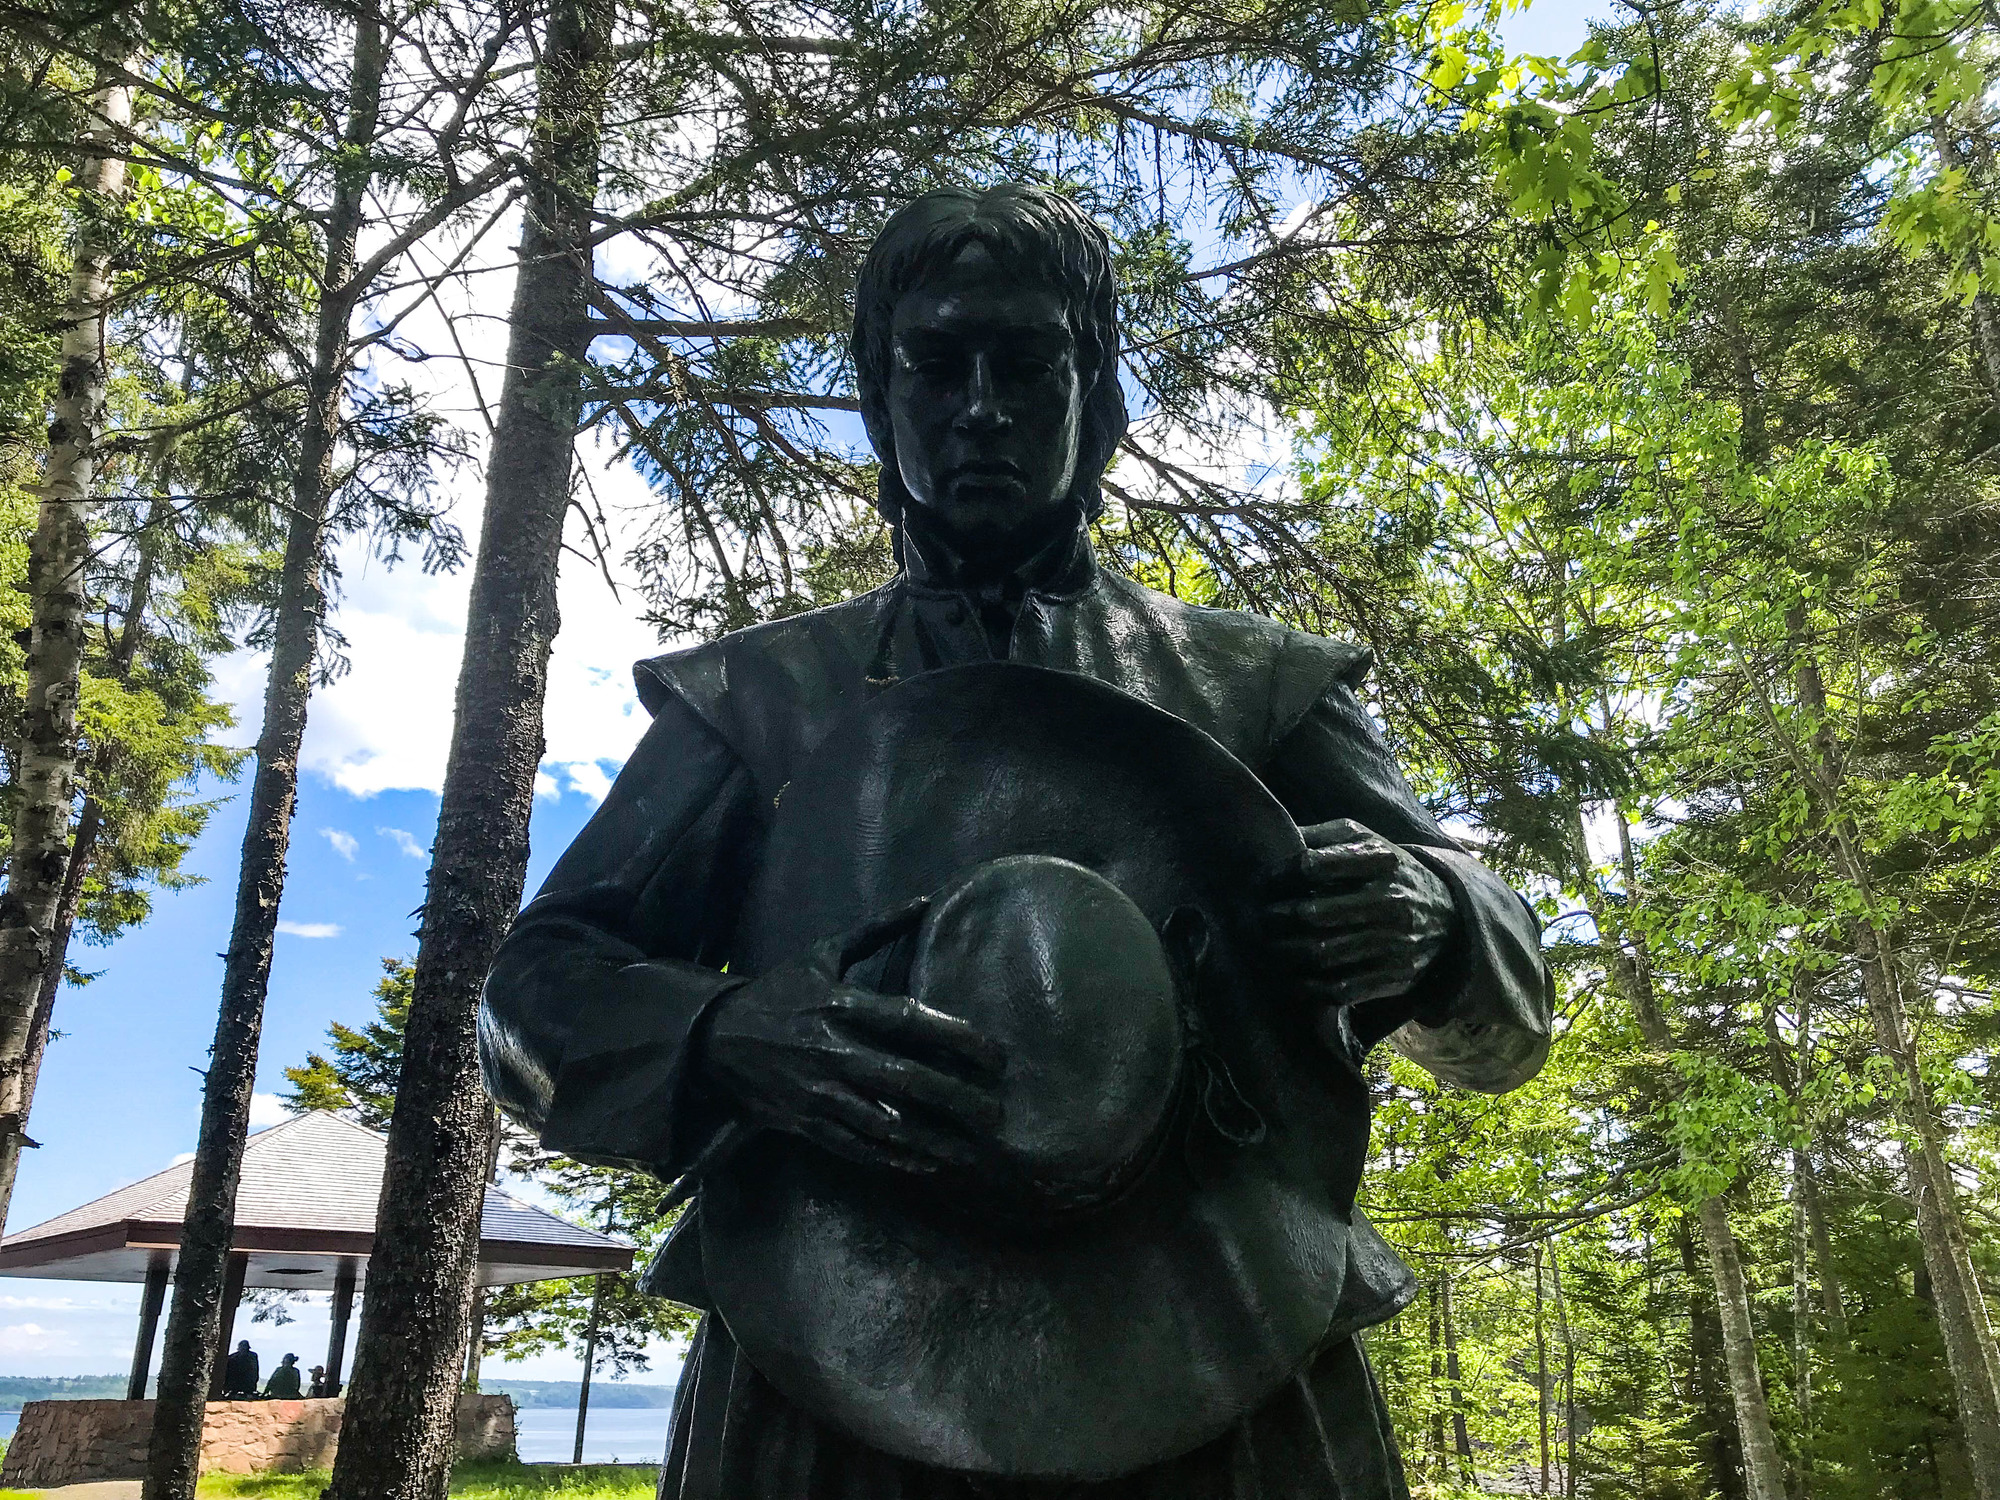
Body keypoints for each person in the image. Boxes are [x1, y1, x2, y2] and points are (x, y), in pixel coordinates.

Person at [480, 185, 1554, 1500]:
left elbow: (1502, 1014)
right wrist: (718, 1037)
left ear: (1098, 401)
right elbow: (533, 989)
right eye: (935, 365)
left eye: (1029, 364)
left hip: (1227, 1358)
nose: (980, 406)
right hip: (834, 1376)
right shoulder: (756, 701)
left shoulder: (1259, 686)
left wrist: (1444, 922)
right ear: (880, 402)